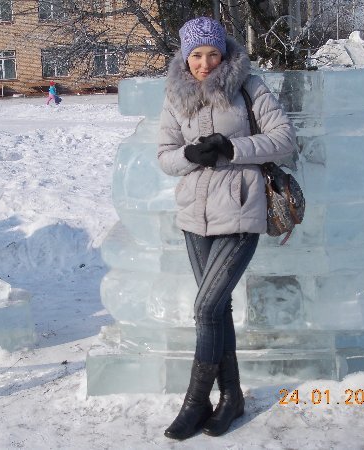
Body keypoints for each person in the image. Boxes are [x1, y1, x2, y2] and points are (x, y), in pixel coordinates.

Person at [157, 17, 298, 440]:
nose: (205, 64)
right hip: (192, 216)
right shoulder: (175, 95)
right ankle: (232, 396)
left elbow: (284, 139)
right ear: (185, 57)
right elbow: (164, 156)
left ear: (224, 54)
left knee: (205, 309)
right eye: (196, 56)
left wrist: (232, 147)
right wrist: (190, 155)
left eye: (213, 54)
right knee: (217, 309)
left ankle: (196, 402)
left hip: (240, 209)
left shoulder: (249, 86)